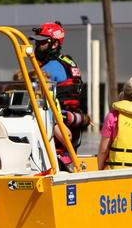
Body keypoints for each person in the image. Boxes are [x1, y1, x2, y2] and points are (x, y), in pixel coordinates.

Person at [28, 21, 90, 168]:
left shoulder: (50, 68)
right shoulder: (67, 62)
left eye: (42, 42)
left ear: (54, 44)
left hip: (59, 129)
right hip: (73, 125)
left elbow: (35, 96)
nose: (38, 46)